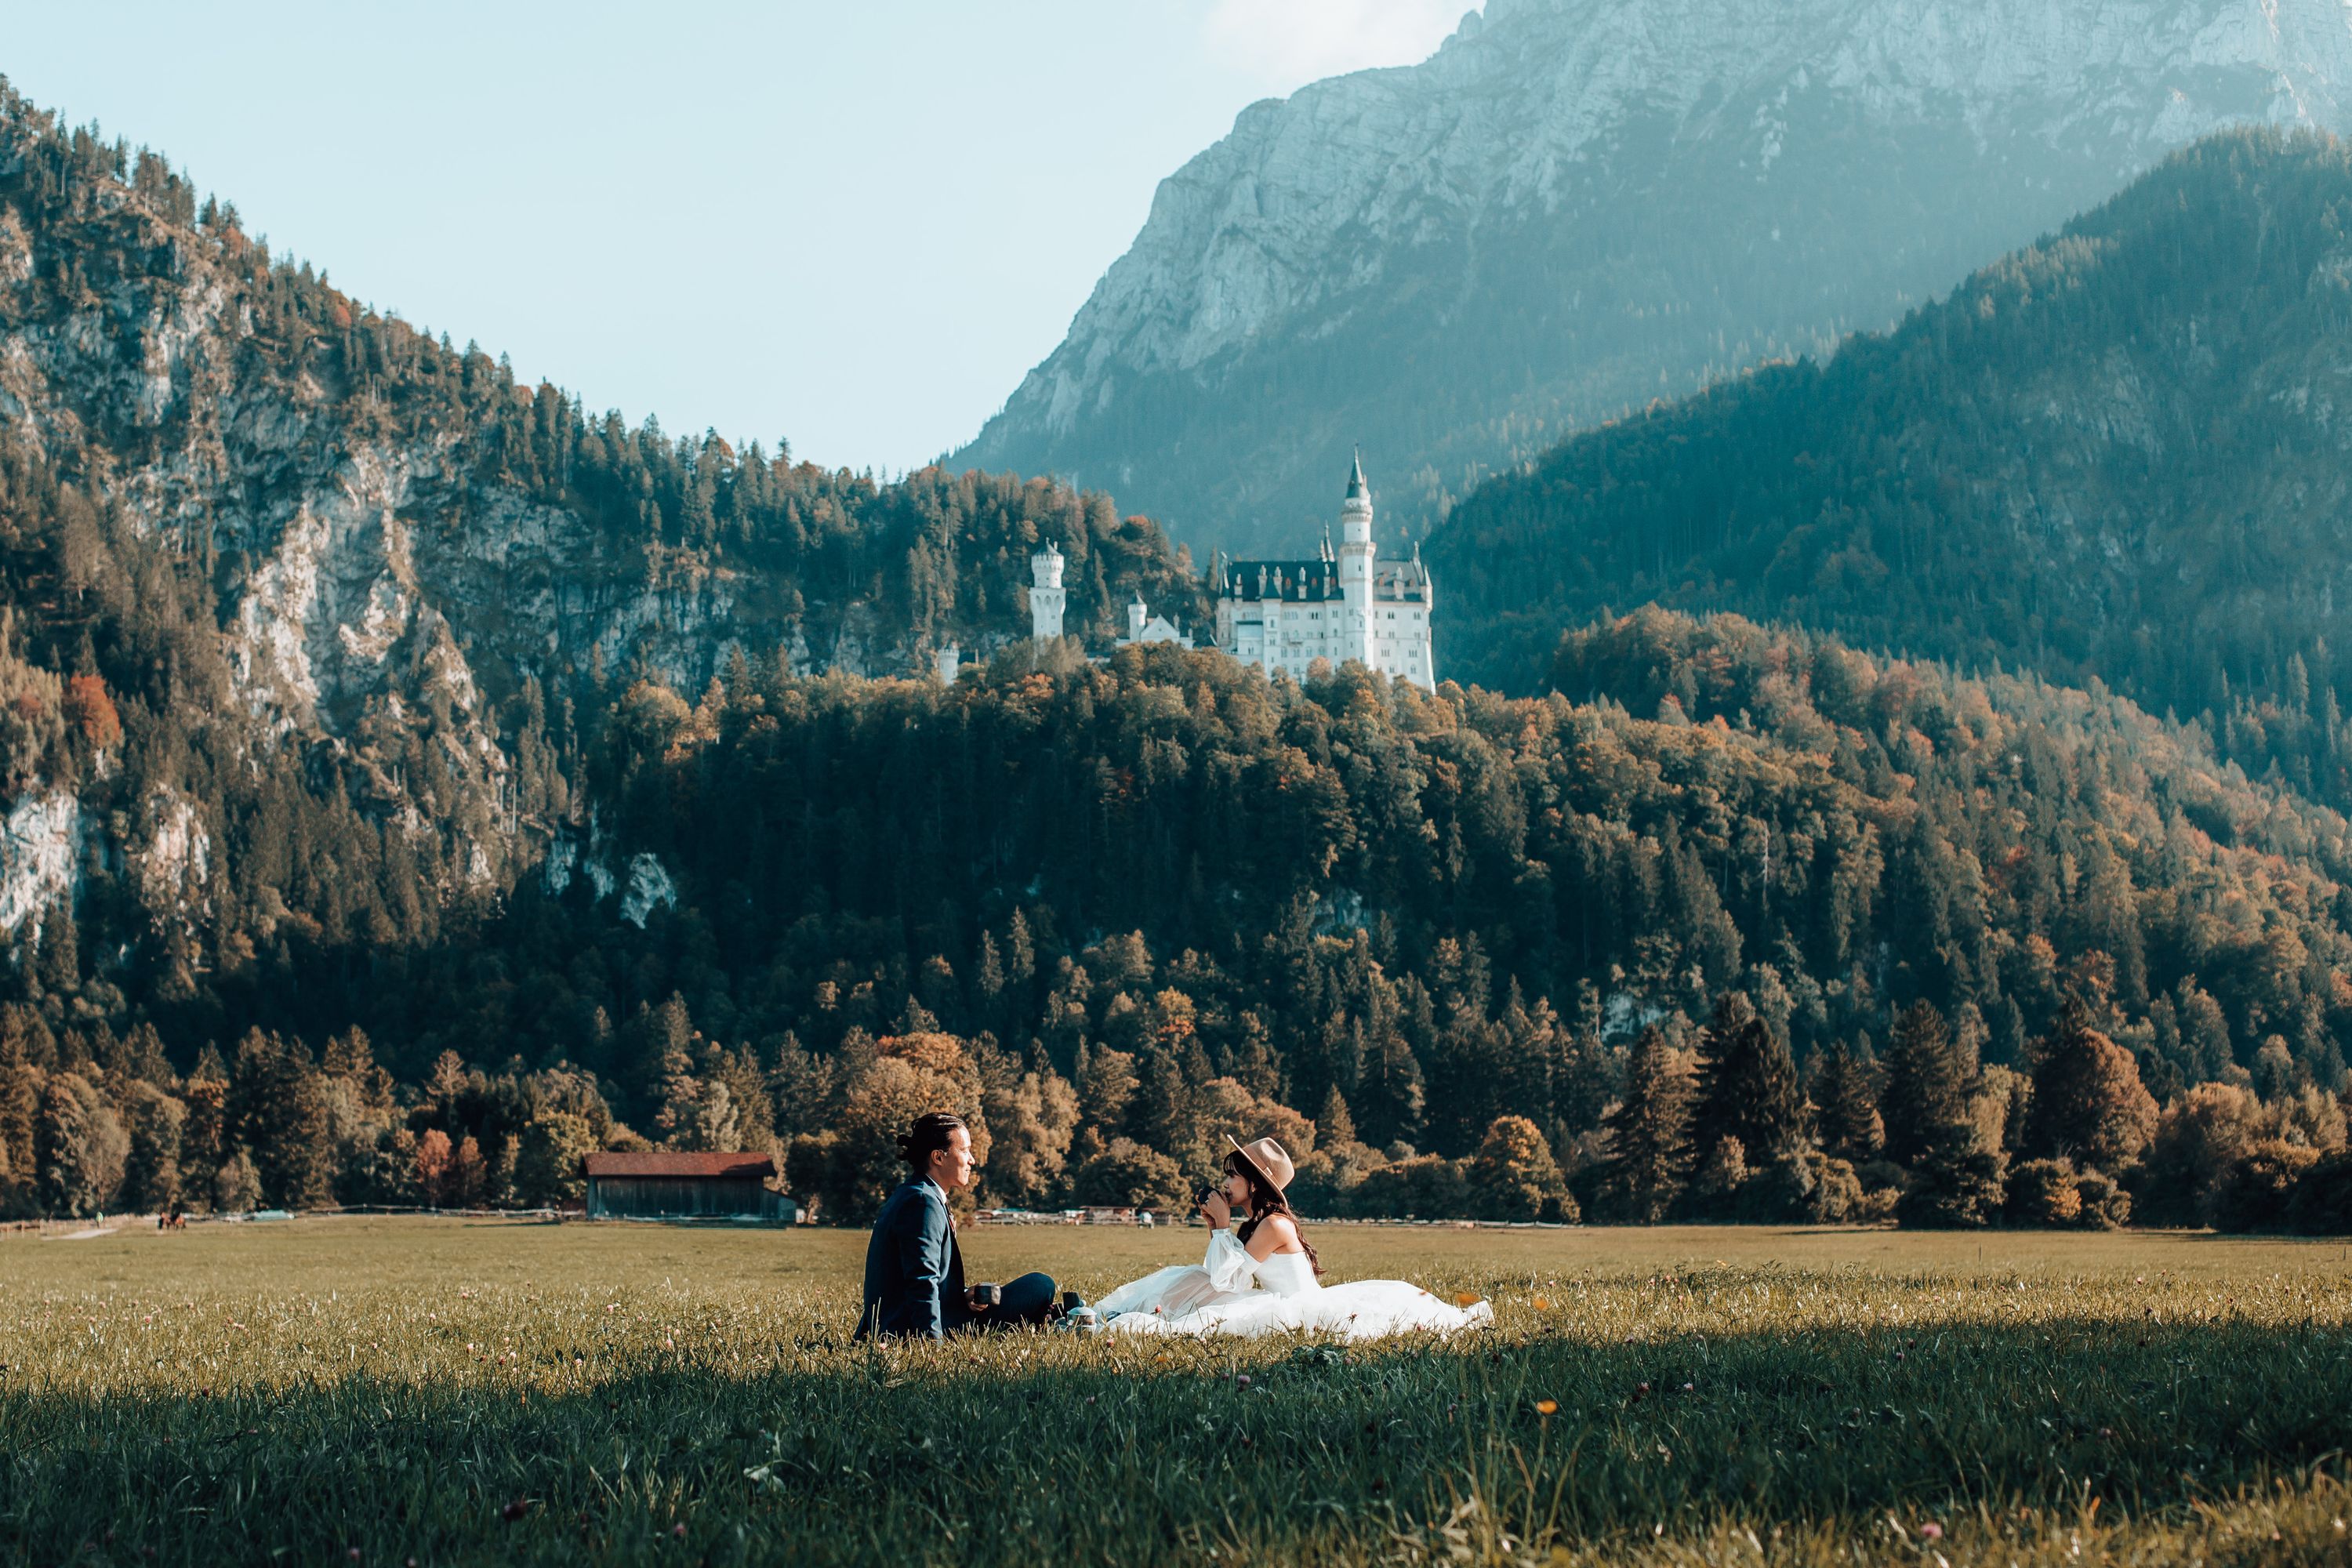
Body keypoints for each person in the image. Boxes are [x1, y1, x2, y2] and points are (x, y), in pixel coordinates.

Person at [1094, 1134, 1494, 1341]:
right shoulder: (1256, 1224)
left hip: (1299, 1308)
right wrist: (1216, 1229)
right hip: (1274, 1298)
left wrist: (1219, 1228)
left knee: (1203, 1312)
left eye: (1233, 1175)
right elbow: (1224, 1276)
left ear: (1255, 1183)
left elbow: (1228, 1282)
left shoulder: (1274, 1226)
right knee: (1189, 1279)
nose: (1225, 1183)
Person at [856, 1112, 1059, 1339]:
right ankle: (1050, 1318)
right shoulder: (923, 1202)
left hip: (912, 1319)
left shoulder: (917, 1193)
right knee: (1040, 1285)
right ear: (938, 1158)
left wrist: (962, 1295)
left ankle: (1050, 1317)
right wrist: (932, 1345)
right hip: (908, 1329)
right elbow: (921, 1282)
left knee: (1029, 1290)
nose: (972, 1160)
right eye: (964, 1151)